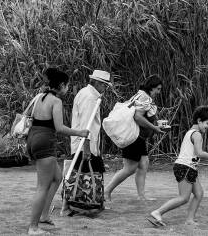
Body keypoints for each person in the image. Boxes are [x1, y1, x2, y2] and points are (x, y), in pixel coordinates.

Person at [26, 67, 90, 236]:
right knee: (42, 186)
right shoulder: (56, 101)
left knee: (57, 177)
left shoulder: (39, 96)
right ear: (61, 85)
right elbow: (59, 128)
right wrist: (80, 132)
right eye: (67, 85)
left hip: (32, 139)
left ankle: (44, 215)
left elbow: (28, 117)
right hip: (45, 142)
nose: (68, 88)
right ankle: (33, 227)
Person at [146, 106, 208, 227]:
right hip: (185, 167)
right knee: (184, 198)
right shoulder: (197, 134)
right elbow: (199, 153)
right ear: (199, 121)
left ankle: (190, 220)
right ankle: (157, 212)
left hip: (189, 167)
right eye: (207, 123)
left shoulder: (190, 132)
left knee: (199, 194)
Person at [104, 74, 166, 202]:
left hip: (137, 136)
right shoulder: (144, 97)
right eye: (158, 89)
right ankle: (106, 191)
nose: (159, 92)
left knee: (144, 163)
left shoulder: (141, 95)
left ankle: (141, 196)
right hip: (134, 136)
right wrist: (154, 128)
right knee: (130, 168)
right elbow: (138, 117)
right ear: (151, 87)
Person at [63, 69, 110, 215]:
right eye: (104, 85)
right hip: (84, 143)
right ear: (96, 83)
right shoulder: (89, 97)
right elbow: (86, 124)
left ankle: (86, 203)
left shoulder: (88, 94)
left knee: (83, 173)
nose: (105, 88)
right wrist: (87, 147)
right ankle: (71, 204)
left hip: (86, 142)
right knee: (82, 173)